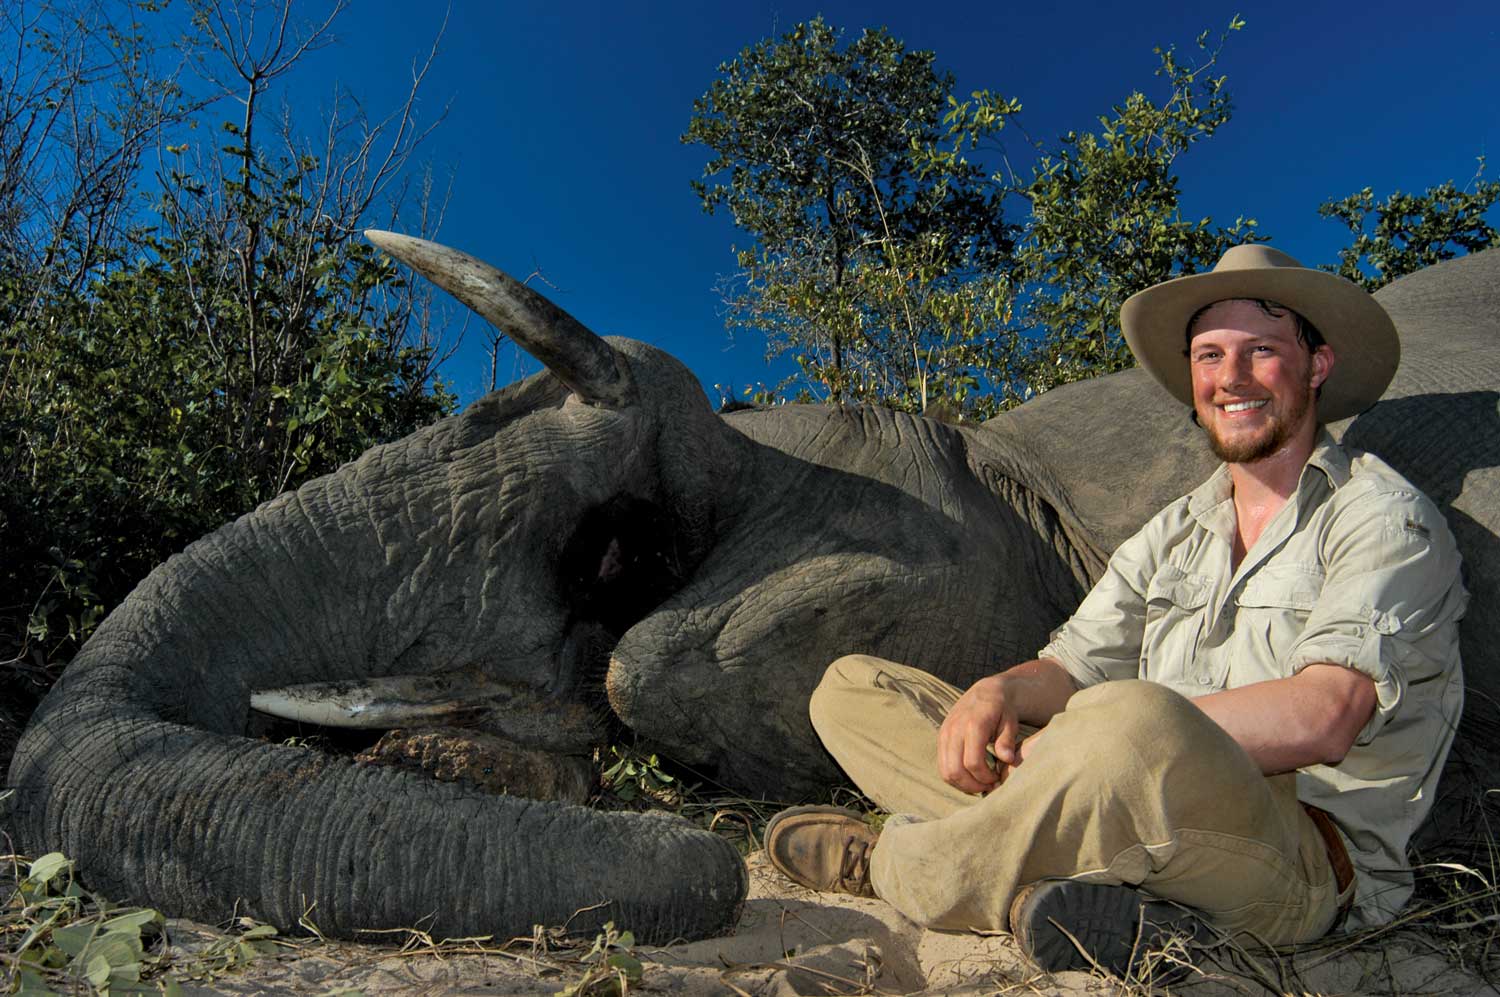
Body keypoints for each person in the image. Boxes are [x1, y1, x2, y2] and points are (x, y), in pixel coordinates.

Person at [761, 245, 1467, 975]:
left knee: (1133, 721)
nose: (1231, 377)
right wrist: (999, 694)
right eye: (1210, 355)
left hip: (1297, 855)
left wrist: (1097, 742)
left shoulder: (1382, 516)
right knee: (851, 688)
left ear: (1316, 366)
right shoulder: (1176, 529)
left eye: (1261, 350)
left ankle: (898, 864)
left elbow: (1326, 716)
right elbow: (1071, 668)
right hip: (1121, 781)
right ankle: (1063, 875)